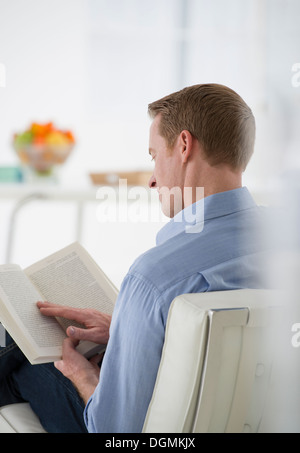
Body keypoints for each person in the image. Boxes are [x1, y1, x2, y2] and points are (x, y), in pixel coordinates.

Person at [0, 84, 268, 433]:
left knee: (20, 352)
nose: (153, 180)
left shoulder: (154, 278)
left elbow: (113, 429)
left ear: (184, 146)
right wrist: (126, 330)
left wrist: (83, 375)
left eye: (155, 155)